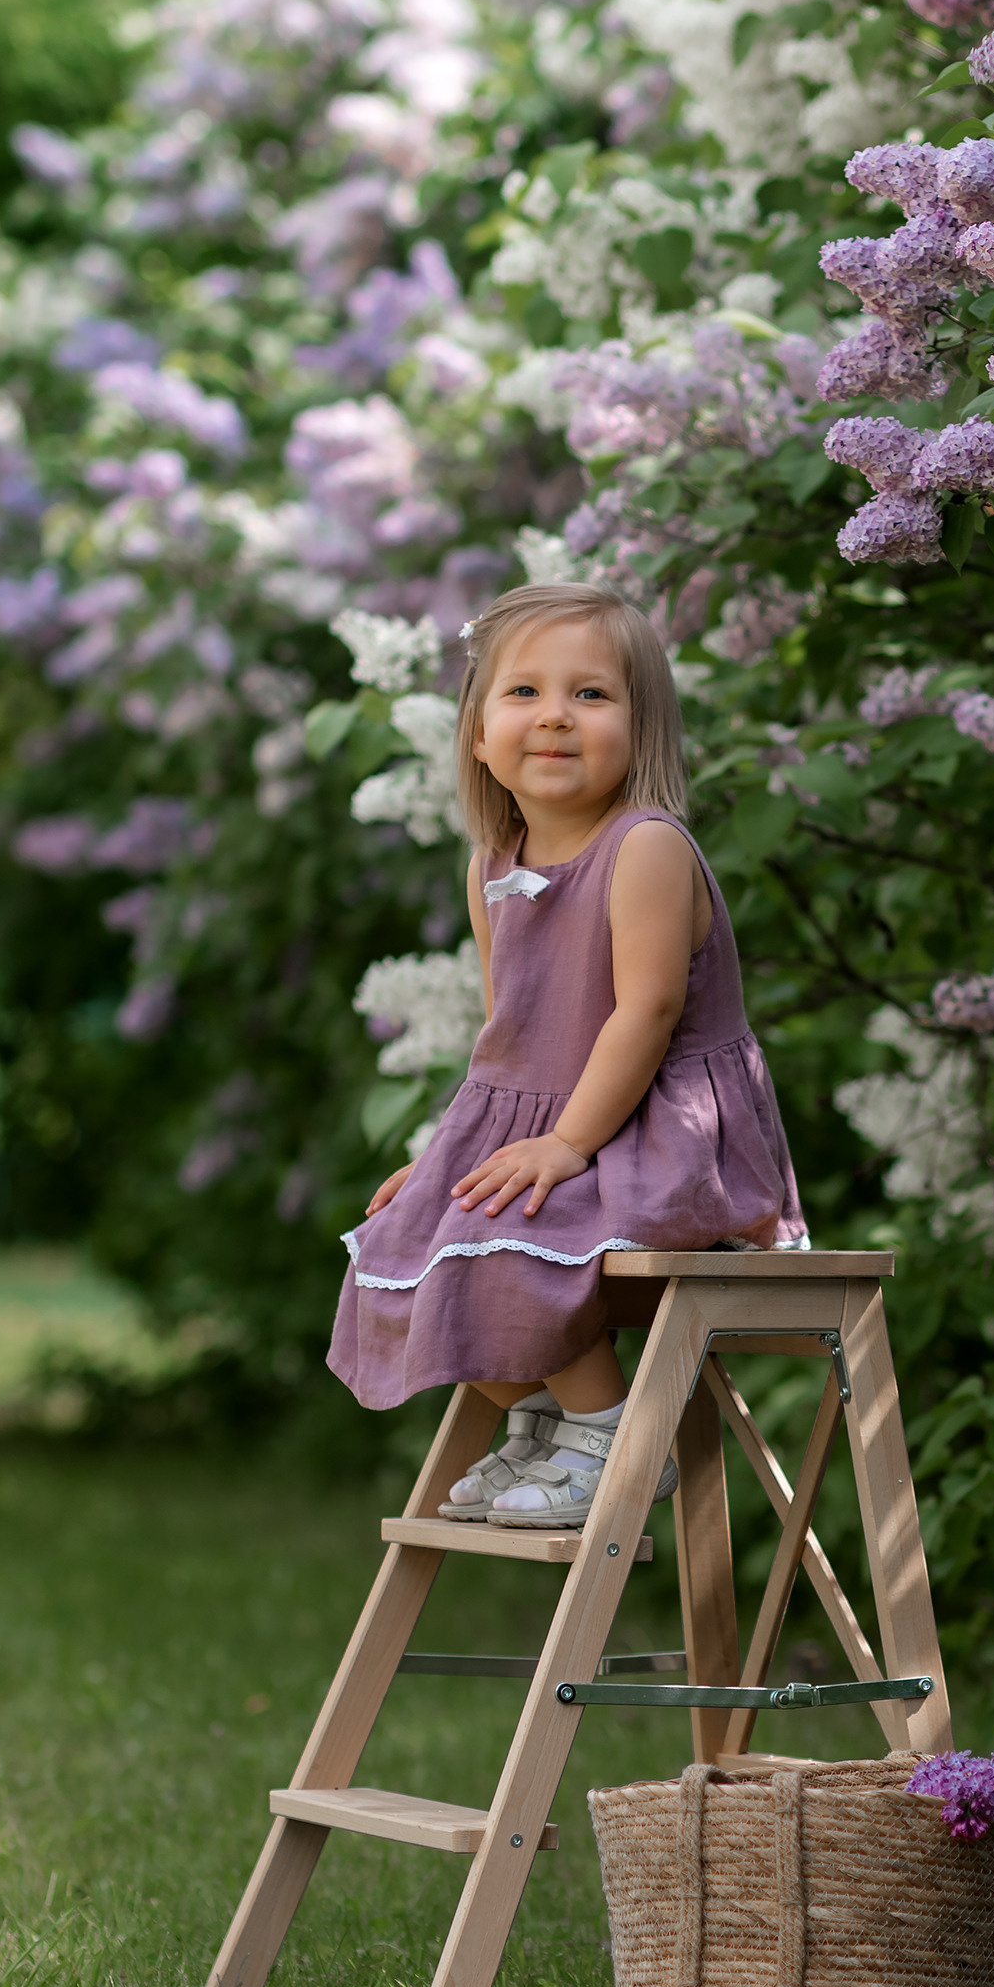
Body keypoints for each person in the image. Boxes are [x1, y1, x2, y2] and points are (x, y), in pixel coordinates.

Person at [327, 581, 806, 1526]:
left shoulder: (645, 848)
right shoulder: (493, 865)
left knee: (512, 1243)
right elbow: (511, 1031)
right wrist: (444, 1161)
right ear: (474, 732)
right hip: (557, 1117)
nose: (554, 717)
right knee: (403, 1238)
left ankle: (615, 1435)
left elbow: (646, 1015)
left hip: (659, 1132)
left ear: (643, 729)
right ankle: (545, 1423)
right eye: (523, 693)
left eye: (590, 695)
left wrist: (566, 1147)